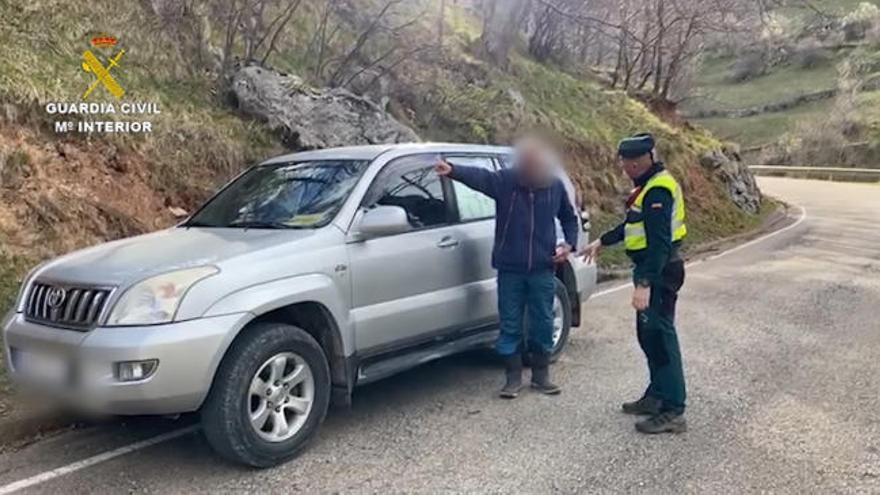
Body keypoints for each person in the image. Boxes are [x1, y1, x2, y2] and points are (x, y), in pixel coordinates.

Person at [435, 139, 579, 399]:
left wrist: (568, 244)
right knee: (510, 324)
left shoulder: (554, 186)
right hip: (510, 268)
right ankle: (512, 379)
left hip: (542, 268)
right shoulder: (506, 182)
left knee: (543, 322)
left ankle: (541, 376)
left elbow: (569, 217)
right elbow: (480, 177)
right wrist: (453, 169)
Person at [583, 133, 688, 434]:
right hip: (653, 270)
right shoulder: (646, 188)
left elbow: (659, 245)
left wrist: (644, 284)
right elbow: (632, 224)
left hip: (659, 272)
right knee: (648, 337)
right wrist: (603, 240)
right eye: (625, 161)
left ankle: (674, 409)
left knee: (661, 339)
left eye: (635, 161)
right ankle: (657, 396)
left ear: (650, 158)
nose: (629, 166)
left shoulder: (658, 191)